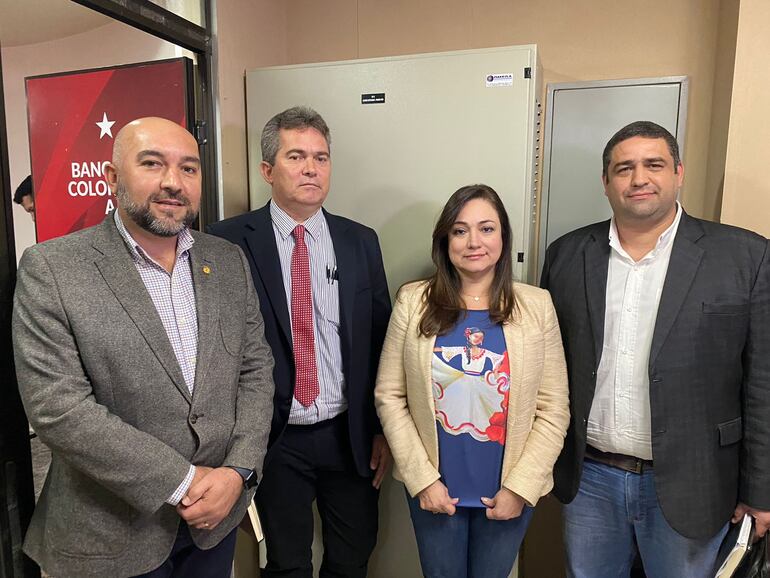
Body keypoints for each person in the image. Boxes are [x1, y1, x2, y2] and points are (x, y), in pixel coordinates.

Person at [12, 117, 275, 578]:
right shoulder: (53, 269)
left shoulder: (227, 261)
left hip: (214, 523)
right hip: (109, 534)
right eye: (152, 164)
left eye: (189, 169)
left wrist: (238, 472)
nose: (173, 182)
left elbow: (255, 372)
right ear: (112, 177)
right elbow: (58, 408)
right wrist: (183, 482)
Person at [540, 120, 770, 577]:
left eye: (654, 164)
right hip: (590, 481)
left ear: (678, 172)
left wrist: (761, 489)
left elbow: (763, 382)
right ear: (606, 182)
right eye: (623, 168)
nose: (639, 178)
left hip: (696, 482)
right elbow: (548, 367)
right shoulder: (567, 254)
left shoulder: (744, 256)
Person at [208, 106, 392, 577]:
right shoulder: (226, 243)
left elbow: (380, 339)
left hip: (347, 434)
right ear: (268, 170)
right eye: (297, 156)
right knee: (286, 564)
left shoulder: (360, 241)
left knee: (352, 557)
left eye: (321, 157)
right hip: (274, 437)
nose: (311, 168)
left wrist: (379, 429)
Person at [375, 184, 570, 578]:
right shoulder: (413, 302)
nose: (473, 242)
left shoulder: (537, 306)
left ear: (503, 237)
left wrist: (521, 487)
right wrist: (422, 479)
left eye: (486, 229)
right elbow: (389, 395)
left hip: (507, 491)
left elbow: (553, 408)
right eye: (460, 230)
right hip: (435, 489)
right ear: (445, 240)